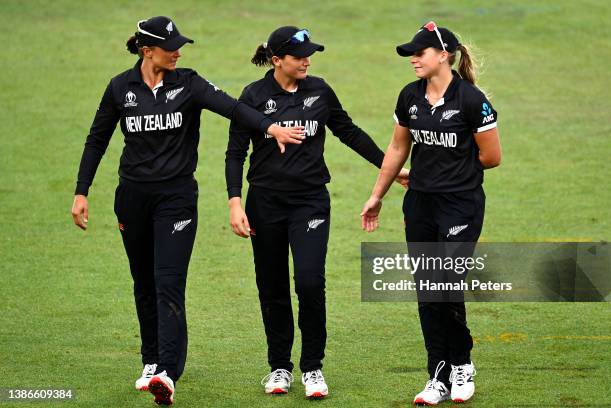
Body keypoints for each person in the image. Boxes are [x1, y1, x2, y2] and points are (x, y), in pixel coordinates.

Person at [70, 16, 304, 406]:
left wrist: (270, 128)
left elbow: (233, 108)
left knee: (168, 281)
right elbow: (97, 139)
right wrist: (82, 191)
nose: (178, 51)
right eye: (170, 46)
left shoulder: (190, 83)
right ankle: (150, 358)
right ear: (148, 51)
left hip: (176, 199)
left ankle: (168, 371)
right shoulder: (119, 88)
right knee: (143, 281)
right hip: (132, 197)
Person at [225, 26, 408, 399]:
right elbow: (234, 152)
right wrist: (234, 201)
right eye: (298, 55)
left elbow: (348, 132)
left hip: (310, 202)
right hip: (265, 204)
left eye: (310, 54)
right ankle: (279, 367)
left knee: (309, 282)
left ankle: (312, 368)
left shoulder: (320, 90)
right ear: (277, 60)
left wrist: (389, 167)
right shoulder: (254, 96)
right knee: (272, 286)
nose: (307, 60)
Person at [360, 21, 501, 405]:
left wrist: (451, 174)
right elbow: (397, 149)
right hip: (420, 205)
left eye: (418, 54)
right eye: (410, 55)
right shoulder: (410, 96)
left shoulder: (471, 101)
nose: (412, 60)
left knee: (447, 285)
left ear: (443, 55)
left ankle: (462, 365)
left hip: (461, 205)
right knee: (427, 290)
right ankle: (437, 374)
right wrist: (377, 195)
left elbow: (491, 157)